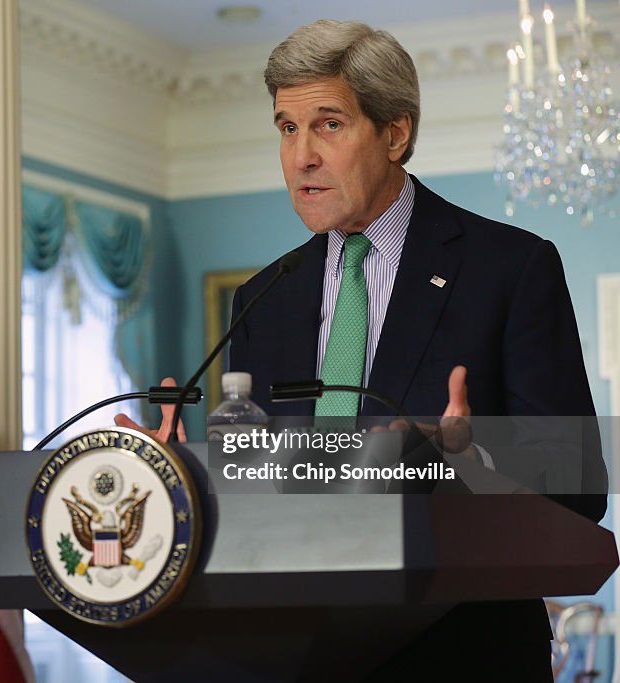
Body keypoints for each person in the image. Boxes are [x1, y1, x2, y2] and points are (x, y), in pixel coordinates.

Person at [121, 19, 607, 681]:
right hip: (298, 655)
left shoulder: (510, 269)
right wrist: (178, 473)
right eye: (287, 129)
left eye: (329, 124)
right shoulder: (264, 297)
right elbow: (261, 491)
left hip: (462, 657)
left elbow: (580, 486)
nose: (301, 157)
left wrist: (474, 460)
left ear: (396, 133)